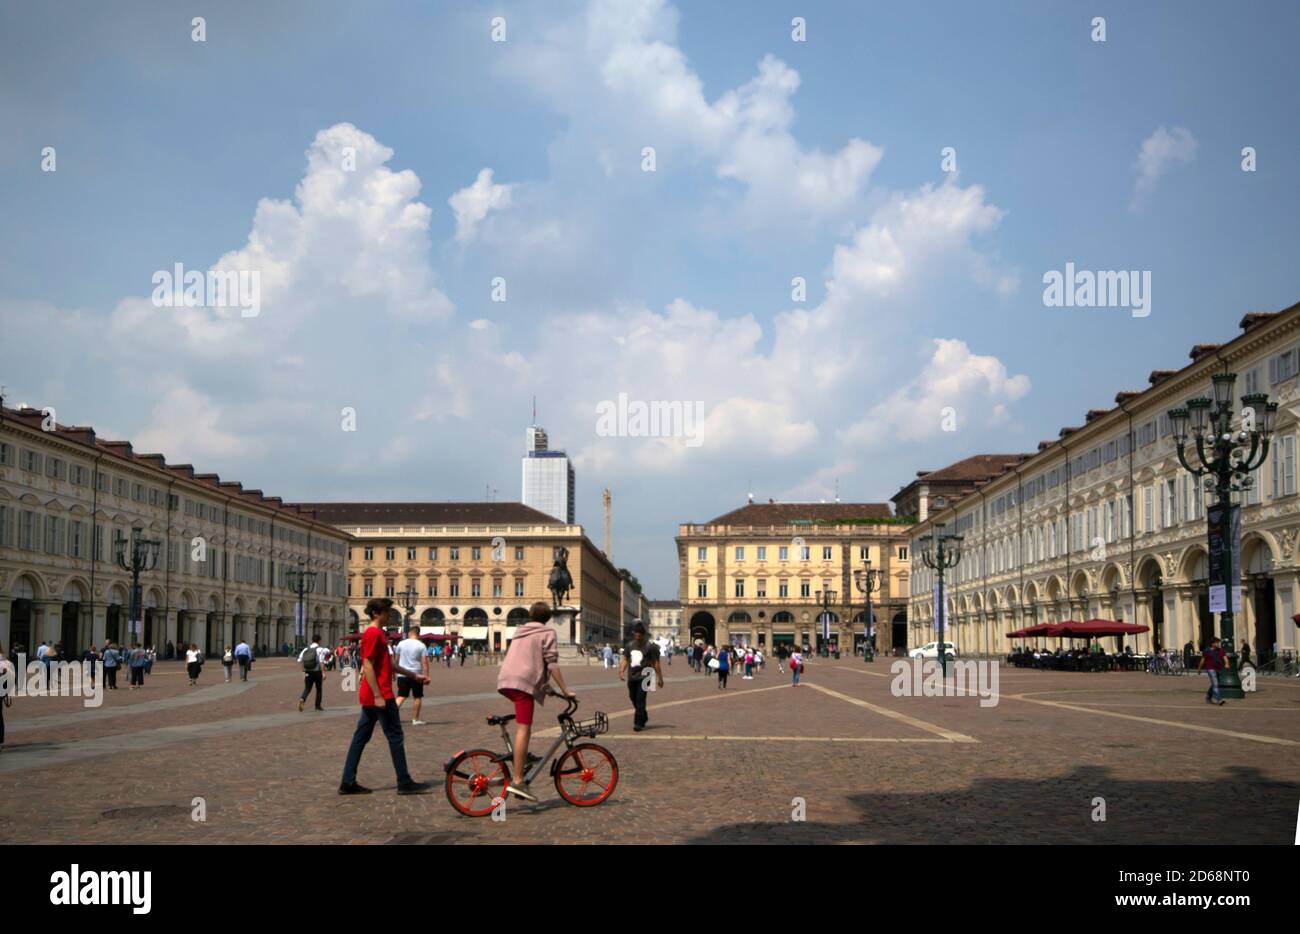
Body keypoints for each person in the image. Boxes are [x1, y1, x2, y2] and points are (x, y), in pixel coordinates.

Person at [339, 599, 431, 796]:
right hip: (379, 695)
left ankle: (347, 781)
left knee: (360, 737)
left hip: (373, 695)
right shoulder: (373, 633)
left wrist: (414, 676)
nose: (389, 614)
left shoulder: (378, 634)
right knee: (395, 736)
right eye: (386, 611)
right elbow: (368, 665)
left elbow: (390, 665)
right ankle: (404, 781)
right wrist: (379, 695)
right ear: (376, 613)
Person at [496, 601, 576, 802]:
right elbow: (551, 664)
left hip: (506, 680)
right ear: (548, 618)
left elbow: (528, 659)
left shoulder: (520, 631)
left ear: (531, 615)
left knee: (523, 723)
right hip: (522, 683)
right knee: (524, 729)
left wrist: (546, 687)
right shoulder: (547, 633)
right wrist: (566, 691)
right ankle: (517, 780)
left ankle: (520, 760)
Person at [619, 621, 663, 732]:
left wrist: (660, 678)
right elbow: (625, 659)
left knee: (640, 699)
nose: (637, 637)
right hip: (632, 675)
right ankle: (643, 715)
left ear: (643, 635)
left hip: (647, 674)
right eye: (636, 635)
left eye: (639, 635)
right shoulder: (629, 645)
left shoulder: (651, 647)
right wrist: (622, 671)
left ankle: (638, 723)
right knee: (633, 697)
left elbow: (656, 663)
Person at [394, 625, 431, 724]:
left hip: (402, 674)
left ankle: (390, 717)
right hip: (416, 675)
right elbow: (424, 662)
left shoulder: (401, 644)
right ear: (418, 634)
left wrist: (394, 671)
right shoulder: (421, 645)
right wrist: (426, 676)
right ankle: (415, 719)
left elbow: (396, 660)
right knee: (417, 696)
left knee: (401, 696)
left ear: (410, 633)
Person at [298, 634, 329, 711]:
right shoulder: (320, 649)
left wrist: (303, 672)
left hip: (308, 671)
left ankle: (302, 699)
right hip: (317, 672)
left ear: (312, 640)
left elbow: (300, 660)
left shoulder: (306, 649)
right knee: (319, 689)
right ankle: (317, 706)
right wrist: (323, 673)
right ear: (319, 641)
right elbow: (321, 662)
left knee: (307, 688)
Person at [1197, 637, 1228, 706]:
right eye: (1217, 643)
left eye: (1218, 642)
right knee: (1215, 684)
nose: (1218, 644)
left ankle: (1208, 697)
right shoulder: (1207, 651)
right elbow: (1202, 660)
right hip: (1210, 669)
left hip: (1218, 669)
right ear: (1212, 643)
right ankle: (1219, 700)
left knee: (1214, 684)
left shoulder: (1221, 650)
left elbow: (1225, 658)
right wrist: (1199, 669)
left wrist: (1227, 663)